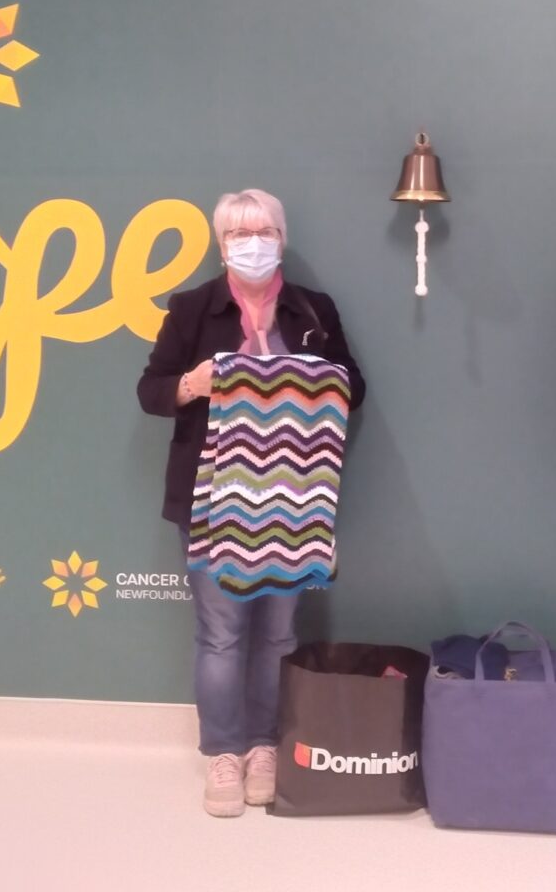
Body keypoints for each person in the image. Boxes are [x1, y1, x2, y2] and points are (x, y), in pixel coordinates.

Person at [137, 188, 365, 817]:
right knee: (221, 634)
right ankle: (222, 752)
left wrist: (304, 377)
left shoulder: (312, 310)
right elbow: (150, 390)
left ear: (281, 238)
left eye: (262, 229)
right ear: (221, 245)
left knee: (279, 636)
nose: (252, 242)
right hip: (210, 501)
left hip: (292, 501)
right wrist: (195, 383)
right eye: (239, 233)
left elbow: (355, 388)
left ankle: (267, 745)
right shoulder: (191, 310)